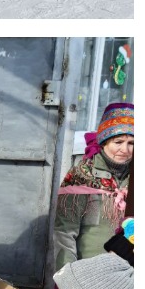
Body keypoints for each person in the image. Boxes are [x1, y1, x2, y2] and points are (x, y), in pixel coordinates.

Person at [54, 103, 133, 271]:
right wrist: (66, 279)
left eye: (131, 143)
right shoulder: (82, 176)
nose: (125, 150)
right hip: (89, 275)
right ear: (104, 141)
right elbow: (64, 233)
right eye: (118, 142)